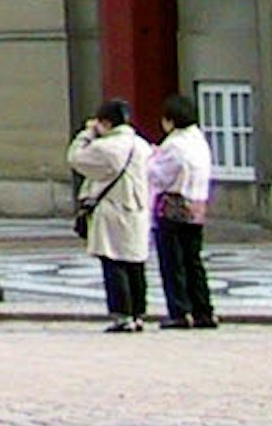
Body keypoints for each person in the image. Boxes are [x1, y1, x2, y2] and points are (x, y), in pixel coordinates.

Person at [70, 98, 155, 331]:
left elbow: (76, 158)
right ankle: (138, 313)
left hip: (112, 210)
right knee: (136, 263)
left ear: (105, 122)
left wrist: (87, 134)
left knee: (114, 262)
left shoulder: (105, 147)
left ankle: (122, 314)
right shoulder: (142, 146)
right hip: (137, 210)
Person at [148, 93, 220, 330]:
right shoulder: (199, 139)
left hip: (173, 204)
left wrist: (151, 158)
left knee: (173, 261)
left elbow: (158, 175)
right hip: (197, 203)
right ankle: (203, 309)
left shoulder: (175, 144)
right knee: (193, 261)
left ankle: (179, 310)